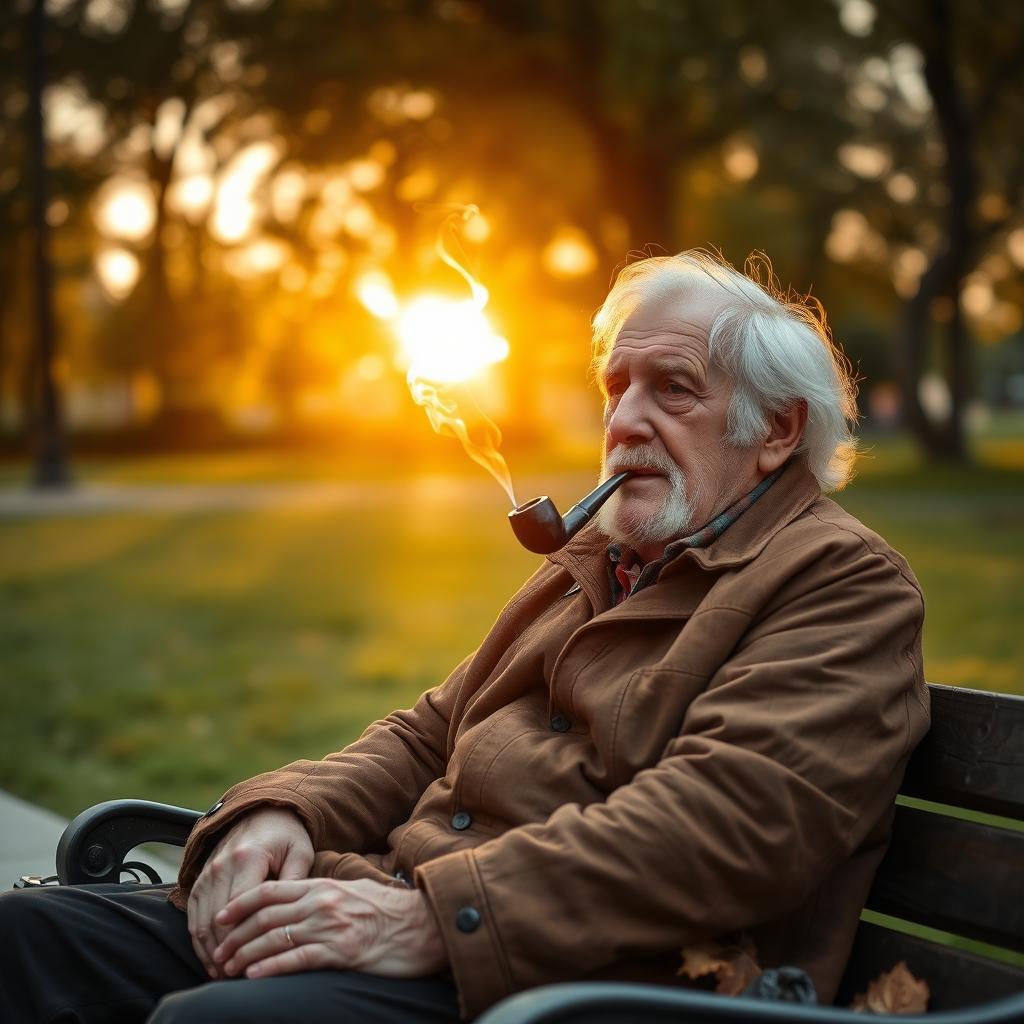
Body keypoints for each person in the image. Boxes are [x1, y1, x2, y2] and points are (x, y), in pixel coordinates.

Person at [0, 249, 929, 1024]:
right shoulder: (599, 558)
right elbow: (429, 732)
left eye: (673, 390)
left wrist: (437, 919)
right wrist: (283, 810)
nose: (624, 421)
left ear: (775, 429)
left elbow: (731, 826)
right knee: (26, 943)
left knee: (212, 1022)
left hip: (586, 986)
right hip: (407, 913)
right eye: (616, 388)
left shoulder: (840, 584)